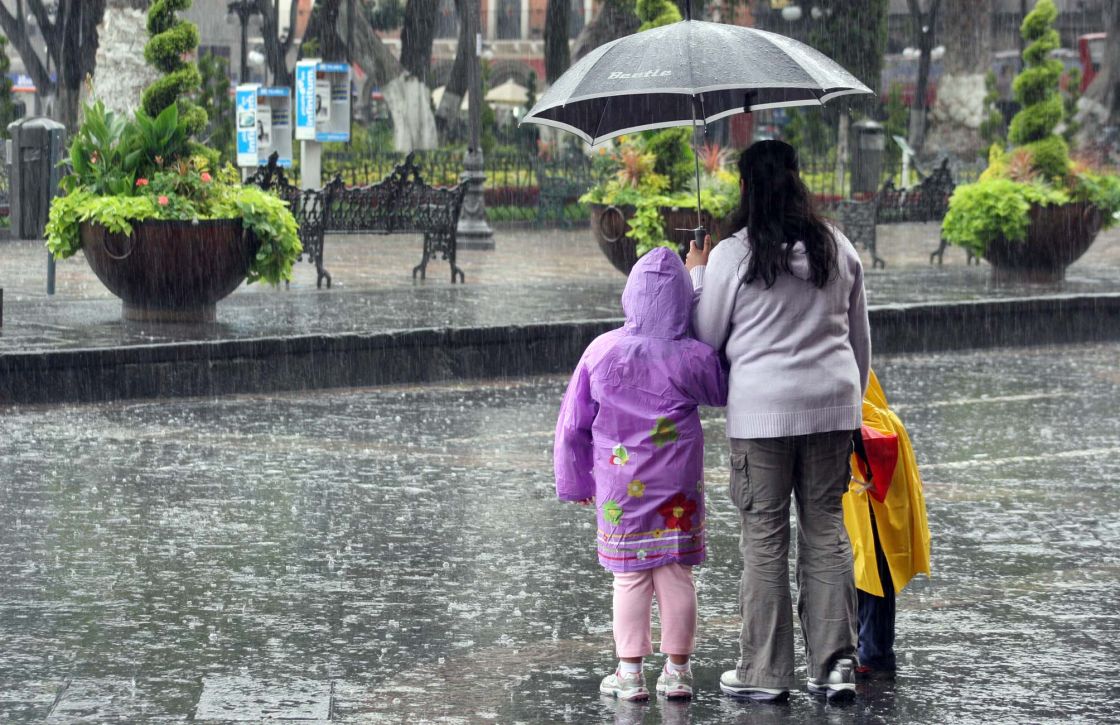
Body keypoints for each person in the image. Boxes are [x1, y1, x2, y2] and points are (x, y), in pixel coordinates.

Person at [686, 139, 871, 704]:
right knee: (826, 531)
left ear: (743, 189)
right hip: (832, 407)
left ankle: (765, 674)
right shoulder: (837, 247)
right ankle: (835, 664)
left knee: (764, 538)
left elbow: (705, 339)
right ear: (798, 181)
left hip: (761, 414)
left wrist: (696, 275)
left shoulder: (732, 257)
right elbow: (859, 343)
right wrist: (848, 407)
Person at [554, 247, 727, 702]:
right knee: (675, 574)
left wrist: (576, 483)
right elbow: (722, 389)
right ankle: (678, 672)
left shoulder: (601, 350)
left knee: (629, 576)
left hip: (619, 491)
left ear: (630, 296)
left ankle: (629, 674)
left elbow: (572, 423)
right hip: (677, 489)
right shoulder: (692, 356)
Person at [845, 370, 931, 680]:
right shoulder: (878, 414)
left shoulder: (874, 419)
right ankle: (865, 650)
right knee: (860, 576)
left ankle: (874, 655)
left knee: (873, 577)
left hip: (871, 509)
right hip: (862, 508)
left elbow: (875, 441)